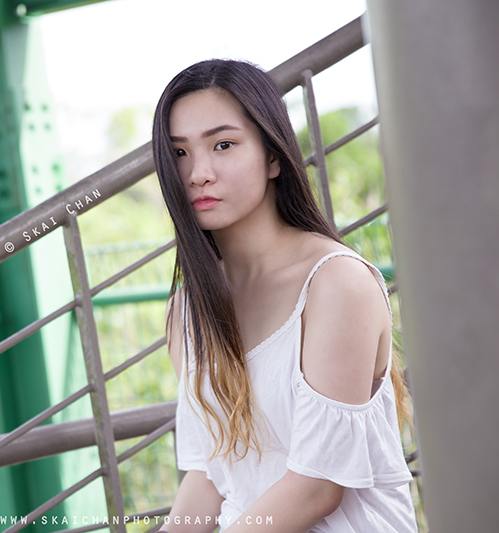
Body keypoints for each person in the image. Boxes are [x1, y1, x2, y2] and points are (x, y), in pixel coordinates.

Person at [152, 59, 419, 533]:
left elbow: (316, 488)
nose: (198, 173)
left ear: (273, 156)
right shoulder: (187, 312)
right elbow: (210, 473)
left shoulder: (336, 283)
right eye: (178, 154)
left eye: (224, 145)